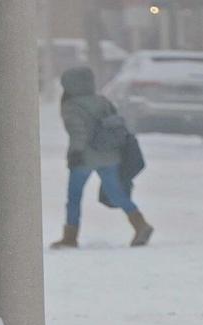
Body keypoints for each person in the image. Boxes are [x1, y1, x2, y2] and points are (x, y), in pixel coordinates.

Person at [50, 65, 153, 250]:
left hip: (85, 158)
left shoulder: (71, 106)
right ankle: (140, 225)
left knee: (74, 197)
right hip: (110, 155)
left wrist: (75, 153)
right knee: (117, 193)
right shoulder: (102, 100)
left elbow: (78, 132)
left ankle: (70, 236)